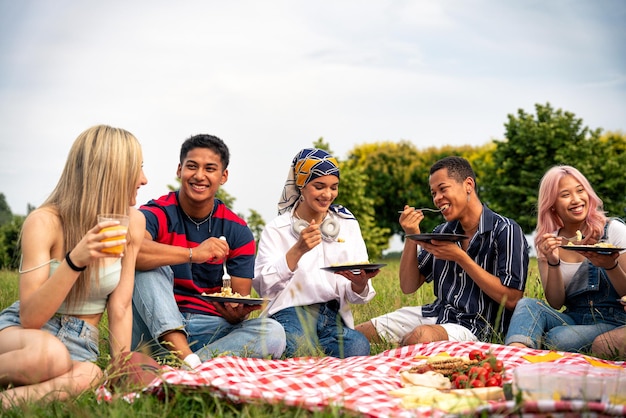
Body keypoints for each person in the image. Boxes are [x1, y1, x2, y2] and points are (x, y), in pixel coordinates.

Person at [0, 125, 147, 407]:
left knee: (91, 375)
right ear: (111, 173)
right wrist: (75, 260)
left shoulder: (133, 223)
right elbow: (30, 317)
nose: (143, 179)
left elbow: (121, 307)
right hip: (25, 335)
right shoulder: (44, 222)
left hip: (82, 342)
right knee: (51, 356)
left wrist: (120, 370)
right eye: (136, 169)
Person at [131, 134, 285, 367]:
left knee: (273, 332)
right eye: (192, 166)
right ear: (179, 170)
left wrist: (237, 311)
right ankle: (196, 364)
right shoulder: (157, 212)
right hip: (154, 329)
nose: (199, 176)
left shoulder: (238, 230)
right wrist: (194, 253)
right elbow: (133, 249)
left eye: (209, 169)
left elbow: (239, 297)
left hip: (210, 331)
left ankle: (189, 365)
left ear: (223, 176)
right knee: (145, 265)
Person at [356, 156, 528, 345]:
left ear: (468, 185)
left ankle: (400, 356)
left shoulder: (506, 230)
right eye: (434, 193)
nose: (437, 198)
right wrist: (411, 235)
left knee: (420, 337)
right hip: (437, 315)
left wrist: (461, 258)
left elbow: (511, 299)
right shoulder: (443, 232)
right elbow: (408, 285)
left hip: (477, 328)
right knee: (356, 335)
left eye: (443, 189)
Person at [253, 148, 378, 358]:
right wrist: (298, 250)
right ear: (301, 185)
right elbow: (263, 287)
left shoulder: (346, 224)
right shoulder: (277, 229)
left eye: (334, 187)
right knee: (300, 350)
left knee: (358, 347)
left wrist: (359, 284)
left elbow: (357, 295)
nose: (327, 194)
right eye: (319, 186)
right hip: (290, 312)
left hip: (332, 315)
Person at [505, 165, 626, 352]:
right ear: (552, 203)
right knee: (527, 304)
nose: (576, 200)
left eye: (580, 191)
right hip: (572, 317)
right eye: (565, 195)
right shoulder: (548, 241)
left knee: (556, 338)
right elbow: (556, 302)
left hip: (613, 320)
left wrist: (611, 266)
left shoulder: (613, 231)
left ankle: (536, 343)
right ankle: (514, 356)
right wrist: (553, 262)